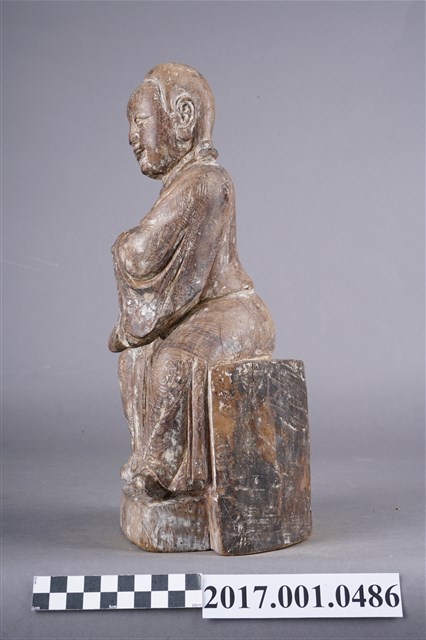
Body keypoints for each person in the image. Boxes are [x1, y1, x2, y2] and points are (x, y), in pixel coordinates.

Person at [109, 63, 275, 498]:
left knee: (173, 360)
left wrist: (122, 245)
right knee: (135, 357)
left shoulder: (206, 182)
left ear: (183, 116)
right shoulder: (180, 184)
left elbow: (144, 252)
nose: (132, 136)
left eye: (140, 121)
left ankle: (164, 473)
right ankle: (148, 459)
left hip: (235, 312)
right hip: (201, 311)